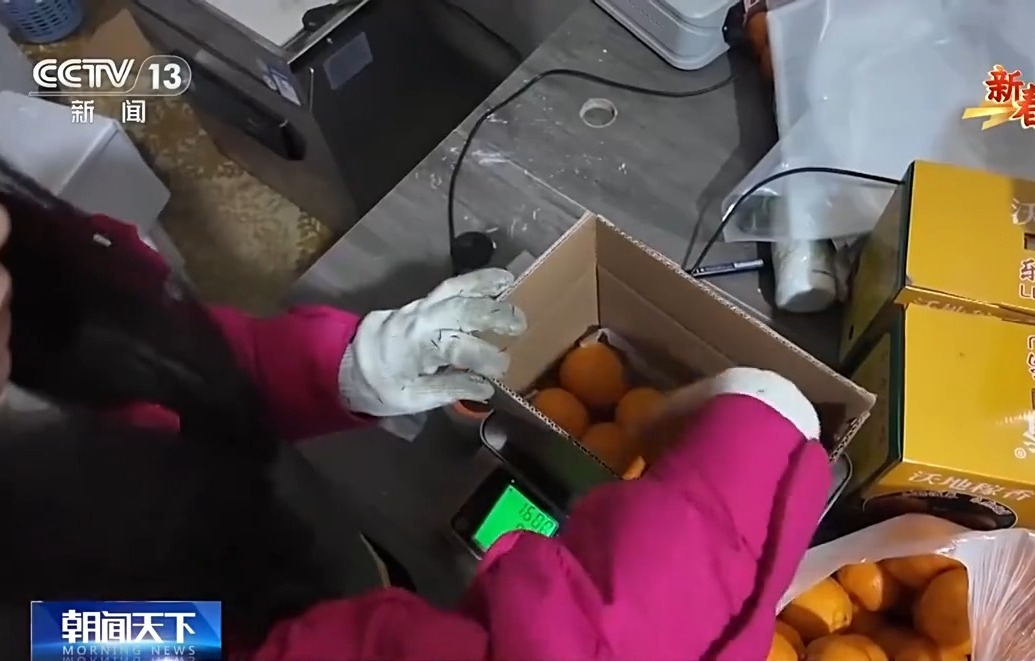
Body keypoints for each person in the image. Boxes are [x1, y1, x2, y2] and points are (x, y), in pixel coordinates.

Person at [0, 158, 833, 660]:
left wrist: (342, 368)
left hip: (298, 566)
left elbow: (177, 368)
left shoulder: (39, 307)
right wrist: (749, 449)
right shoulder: (67, 630)